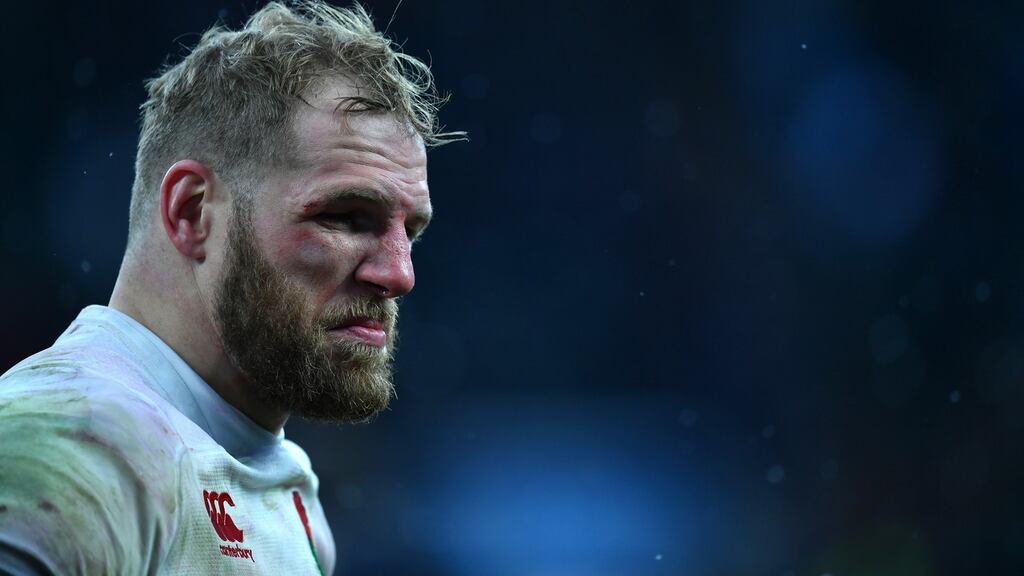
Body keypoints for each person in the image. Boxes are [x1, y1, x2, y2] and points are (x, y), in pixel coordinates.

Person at [0, 1, 460, 574]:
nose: (399, 274)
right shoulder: (77, 442)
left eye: (409, 231)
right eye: (345, 217)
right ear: (193, 212)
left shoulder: (291, 495)